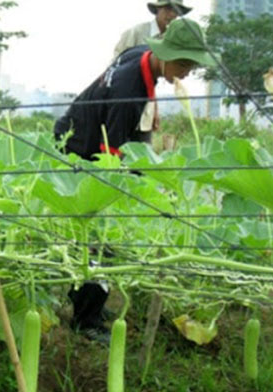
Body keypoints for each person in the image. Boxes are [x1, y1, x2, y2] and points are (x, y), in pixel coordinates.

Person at [54, 18, 217, 342]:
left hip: (83, 133)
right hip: (82, 146)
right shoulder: (130, 89)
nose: (186, 73)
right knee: (103, 236)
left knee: (100, 234)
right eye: (184, 63)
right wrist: (137, 186)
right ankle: (85, 320)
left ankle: (87, 302)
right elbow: (111, 156)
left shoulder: (142, 55)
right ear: (166, 54)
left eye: (191, 65)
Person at [113, 1, 193, 142]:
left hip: (146, 112)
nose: (172, 15)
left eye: (176, 11)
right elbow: (114, 70)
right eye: (168, 9)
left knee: (142, 157)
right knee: (115, 154)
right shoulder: (136, 33)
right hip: (121, 108)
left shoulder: (170, 41)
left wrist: (154, 108)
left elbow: (151, 80)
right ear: (158, 9)